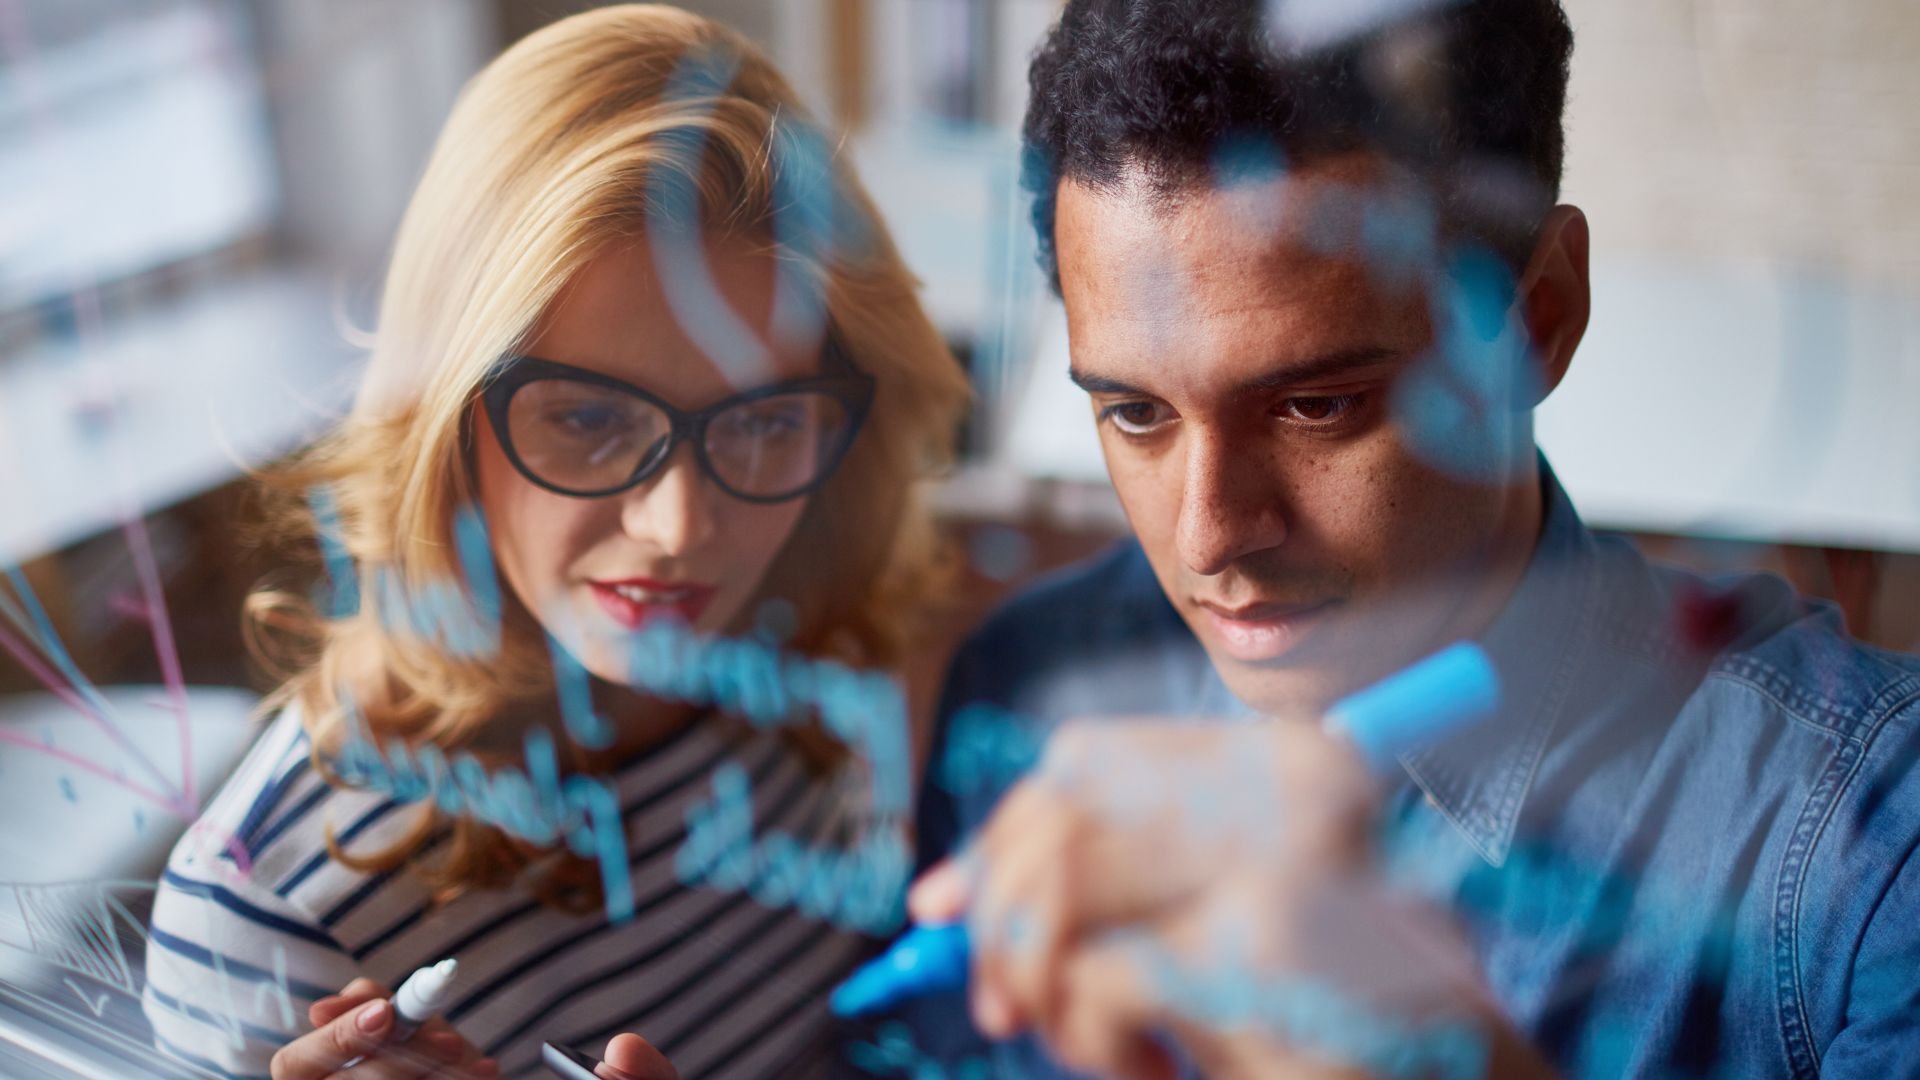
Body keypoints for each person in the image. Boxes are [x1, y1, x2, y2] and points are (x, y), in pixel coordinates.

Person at [905, 0, 1920, 1076]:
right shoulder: (1028, 689)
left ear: (1539, 318)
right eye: (1135, 412)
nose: (1208, 538)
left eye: (1316, 407)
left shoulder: (1873, 845)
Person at [141, 6, 967, 1079]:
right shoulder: (262, 924)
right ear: (443, 425)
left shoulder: (804, 667)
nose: (679, 529)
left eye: (764, 423)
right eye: (588, 420)